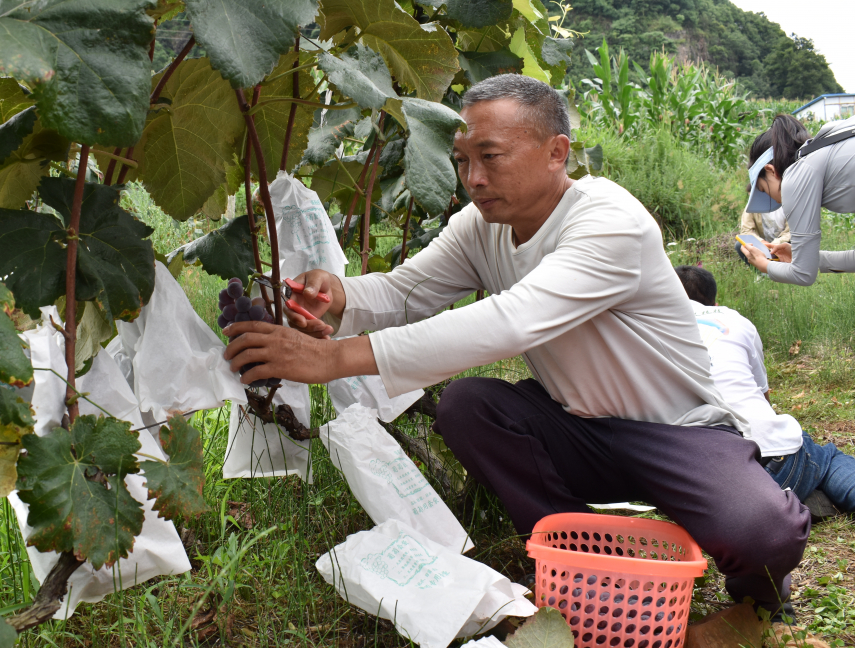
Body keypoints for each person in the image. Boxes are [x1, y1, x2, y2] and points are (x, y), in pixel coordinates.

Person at [224, 74, 809, 616]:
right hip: (579, 431)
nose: (474, 178)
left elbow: (514, 320)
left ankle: (758, 595)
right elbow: (406, 291)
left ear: (558, 152)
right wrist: (339, 296)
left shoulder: (609, 220)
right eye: (462, 161)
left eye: (490, 157)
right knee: (469, 406)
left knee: (764, 533)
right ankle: (584, 562)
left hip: (679, 432)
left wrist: (335, 359)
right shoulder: (481, 227)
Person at [675, 265, 855, 517]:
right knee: (824, 458)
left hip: (698, 484)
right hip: (770, 459)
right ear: (715, 300)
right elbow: (763, 395)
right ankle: (795, 492)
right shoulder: (735, 321)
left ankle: (786, 500)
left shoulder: (648, 329)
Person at [739, 114, 855, 284]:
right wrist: (804, 256)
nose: (772, 200)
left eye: (764, 189)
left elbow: (803, 274)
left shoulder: (795, 177)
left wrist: (764, 265)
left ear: (771, 170)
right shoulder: (828, 143)